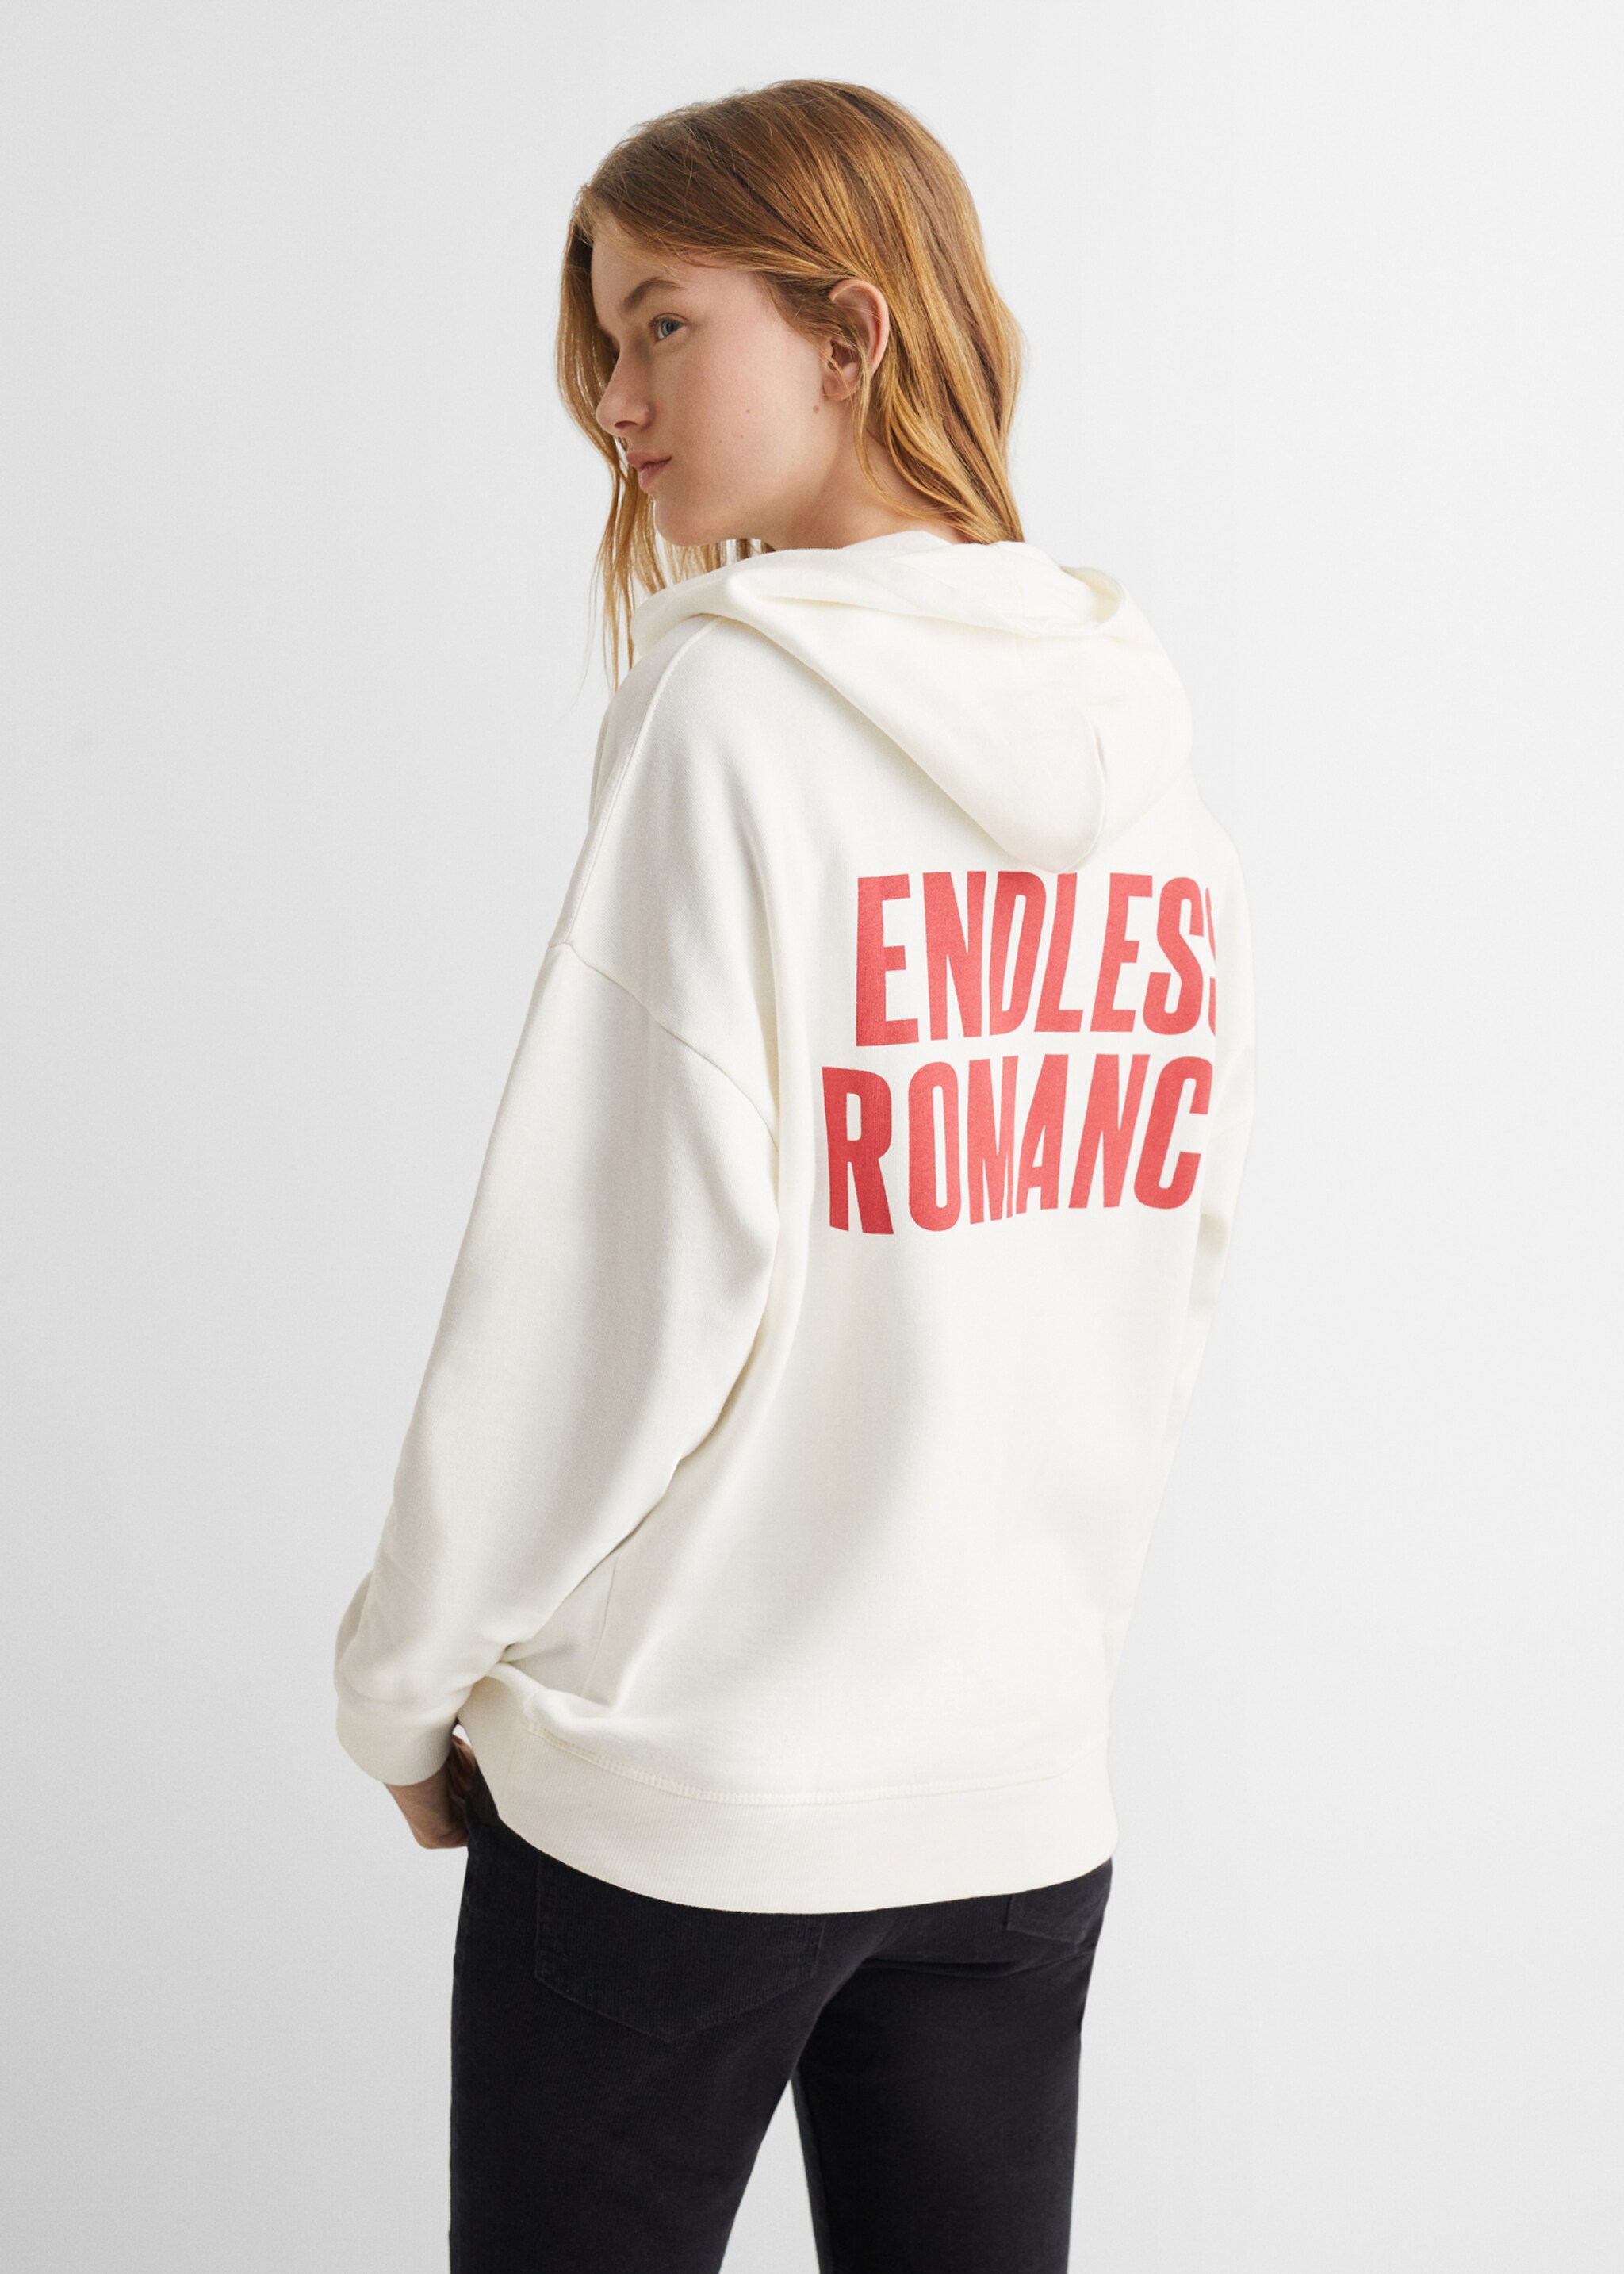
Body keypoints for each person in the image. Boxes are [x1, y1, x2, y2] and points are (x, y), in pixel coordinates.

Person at [331, 77, 1255, 2274]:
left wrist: (403, 1677)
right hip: (1013, 1794)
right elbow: (1164, 1256)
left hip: (687, 1800)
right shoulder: (1140, 727)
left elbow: (599, 1290)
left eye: (664, 323)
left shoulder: (731, 720)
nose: (614, 404)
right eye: (602, 342)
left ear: (852, 328)